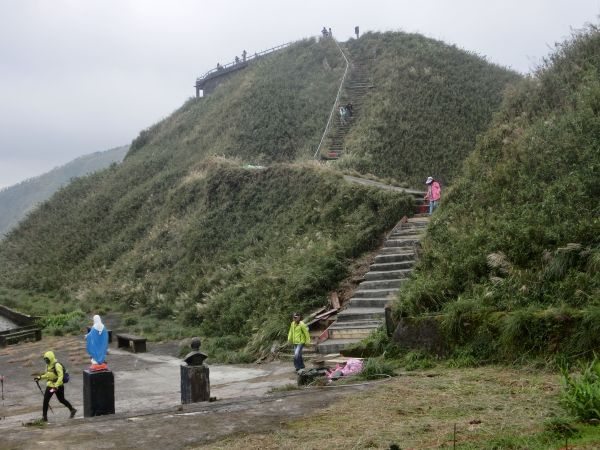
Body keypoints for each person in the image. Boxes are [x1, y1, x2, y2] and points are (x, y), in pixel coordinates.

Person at [34, 351, 76, 421]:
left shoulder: (57, 365)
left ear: (51, 358)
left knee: (61, 400)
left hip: (57, 386)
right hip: (51, 386)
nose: (46, 361)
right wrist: (39, 377)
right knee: (46, 399)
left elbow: (60, 377)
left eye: (47, 360)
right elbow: (48, 375)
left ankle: (72, 410)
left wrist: (56, 386)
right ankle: (44, 417)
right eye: (45, 360)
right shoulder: (48, 366)